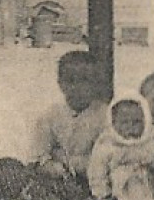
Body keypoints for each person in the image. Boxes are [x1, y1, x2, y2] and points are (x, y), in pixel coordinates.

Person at [86, 96, 154, 200]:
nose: (130, 127)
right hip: (116, 193)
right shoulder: (106, 145)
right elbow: (97, 173)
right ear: (113, 123)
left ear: (145, 121)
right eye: (124, 122)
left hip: (144, 187)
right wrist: (103, 197)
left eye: (136, 122)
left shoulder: (149, 144)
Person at [33, 49, 111, 179]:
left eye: (85, 80)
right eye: (70, 81)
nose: (77, 87)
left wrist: (75, 164)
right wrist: (49, 165)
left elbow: (107, 153)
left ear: (96, 84)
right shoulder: (50, 116)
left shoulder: (105, 116)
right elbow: (39, 151)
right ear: (60, 83)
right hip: (58, 177)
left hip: (93, 177)